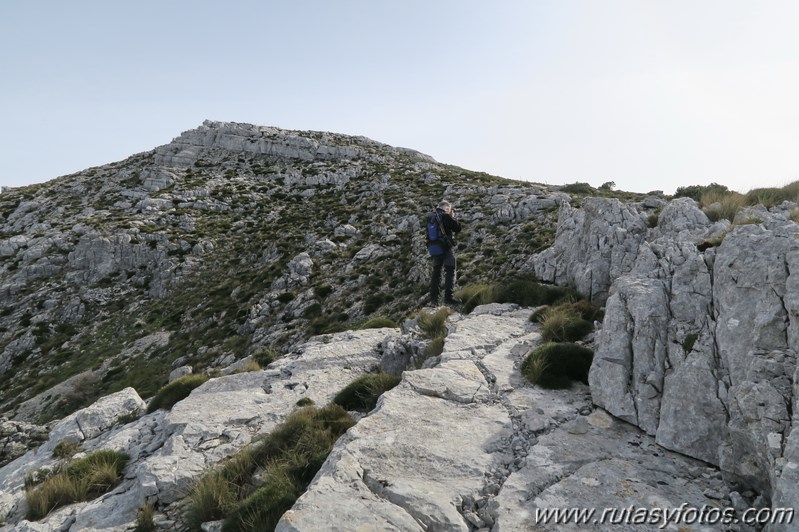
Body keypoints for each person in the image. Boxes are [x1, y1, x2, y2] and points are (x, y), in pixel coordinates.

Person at [428, 200, 462, 306]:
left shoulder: (430, 216)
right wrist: (451, 216)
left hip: (434, 247)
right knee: (450, 270)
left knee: (436, 273)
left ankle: (434, 300)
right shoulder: (445, 216)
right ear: (447, 208)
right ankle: (448, 298)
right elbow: (457, 228)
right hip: (446, 247)